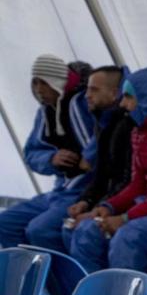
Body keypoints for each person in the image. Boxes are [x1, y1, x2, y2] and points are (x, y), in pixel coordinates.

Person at [69, 67, 147, 273]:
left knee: (128, 237)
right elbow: (138, 184)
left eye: (128, 97)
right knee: (87, 230)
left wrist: (126, 218)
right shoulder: (138, 130)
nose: (123, 104)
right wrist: (108, 207)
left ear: (146, 97)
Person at [35, 66, 133, 253]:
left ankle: (99, 282)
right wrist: (85, 201)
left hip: (126, 204)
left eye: (94, 90)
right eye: (87, 88)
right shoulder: (103, 124)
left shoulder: (126, 127)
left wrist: (101, 207)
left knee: (81, 231)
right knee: (69, 227)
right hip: (102, 198)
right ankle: (75, 282)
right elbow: (102, 176)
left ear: (114, 94)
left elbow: (127, 180)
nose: (86, 95)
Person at [0, 55, 94, 247]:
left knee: (40, 229)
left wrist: (89, 157)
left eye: (44, 82)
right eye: (35, 83)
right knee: (5, 223)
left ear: (57, 81)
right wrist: (51, 158)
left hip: (86, 191)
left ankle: (61, 277)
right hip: (60, 191)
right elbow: (31, 153)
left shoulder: (88, 103)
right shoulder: (45, 113)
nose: (38, 90)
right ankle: (26, 275)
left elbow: (109, 137)